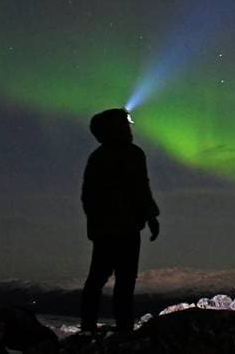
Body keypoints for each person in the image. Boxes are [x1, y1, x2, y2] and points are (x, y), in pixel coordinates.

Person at [80, 108, 161, 332]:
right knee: (122, 280)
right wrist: (151, 218)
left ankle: (90, 326)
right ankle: (122, 329)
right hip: (124, 228)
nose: (129, 128)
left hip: (110, 229)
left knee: (100, 279)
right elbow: (141, 188)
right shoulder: (131, 154)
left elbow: (89, 196)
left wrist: (95, 225)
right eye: (125, 125)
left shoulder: (99, 157)